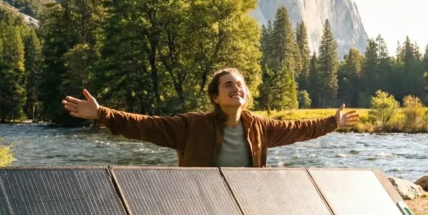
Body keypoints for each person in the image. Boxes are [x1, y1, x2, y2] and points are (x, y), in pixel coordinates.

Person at [62, 67, 359, 167]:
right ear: (215, 97)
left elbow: (298, 129)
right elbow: (144, 126)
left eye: (240, 84)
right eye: (228, 84)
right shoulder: (191, 126)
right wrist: (101, 114)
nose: (236, 88)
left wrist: (333, 122)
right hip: (199, 204)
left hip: (244, 203)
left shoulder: (260, 127)